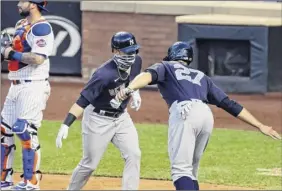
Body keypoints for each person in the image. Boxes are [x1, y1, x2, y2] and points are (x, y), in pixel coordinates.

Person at [114, 41, 281, 190]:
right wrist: (260, 125)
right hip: (206, 115)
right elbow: (229, 104)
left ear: (171, 56)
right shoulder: (202, 76)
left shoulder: (166, 66)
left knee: (180, 171)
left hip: (185, 111)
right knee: (191, 170)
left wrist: (130, 88)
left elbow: (147, 75)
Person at [55, 31, 143, 190]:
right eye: (127, 52)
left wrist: (135, 92)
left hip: (122, 118)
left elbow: (135, 79)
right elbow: (82, 102)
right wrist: (66, 125)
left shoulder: (136, 62)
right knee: (89, 164)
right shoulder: (103, 75)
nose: (132, 55)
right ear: (116, 51)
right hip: (97, 120)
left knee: (134, 154)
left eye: (134, 51)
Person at [0, 0, 54, 190]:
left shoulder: (42, 28)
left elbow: (38, 58)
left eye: (22, 1)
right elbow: (13, 52)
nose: (18, 4)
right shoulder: (20, 25)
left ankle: (31, 181)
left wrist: (10, 53)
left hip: (34, 84)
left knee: (25, 130)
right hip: (15, 84)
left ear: (33, 4)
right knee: (4, 129)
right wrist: (4, 53)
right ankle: (4, 179)